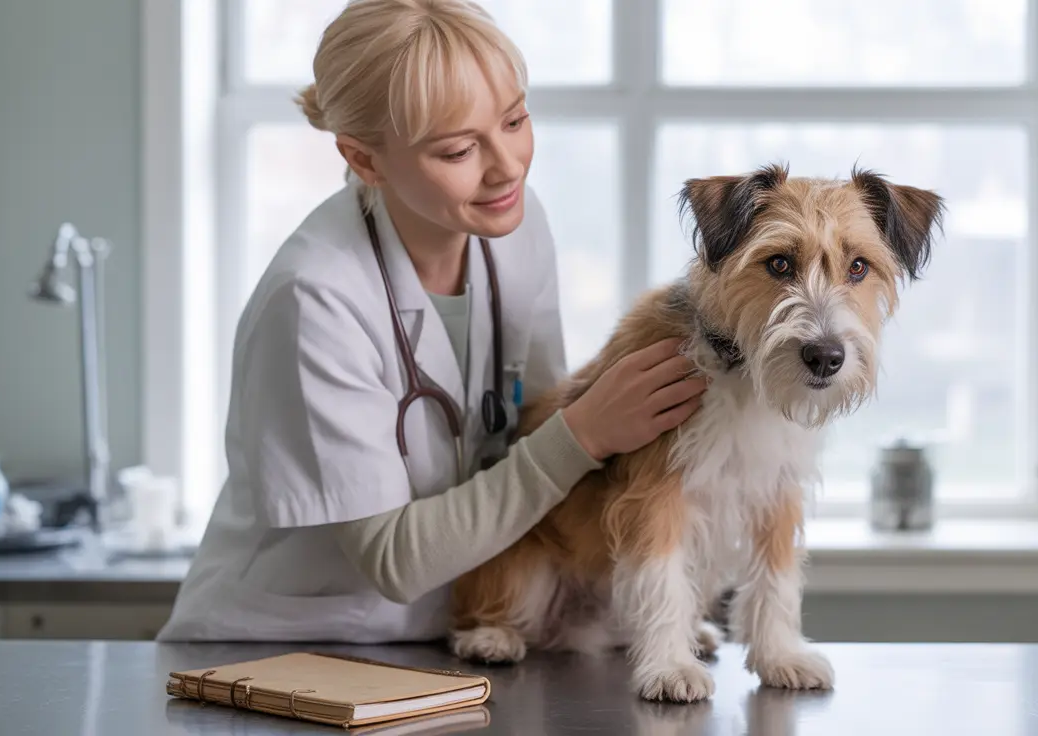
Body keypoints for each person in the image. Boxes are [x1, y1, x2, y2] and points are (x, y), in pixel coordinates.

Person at [156, 0, 707, 642]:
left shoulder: (516, 230)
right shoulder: (315, 298)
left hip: (451, 635)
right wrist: (585, 431)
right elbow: (396, 556)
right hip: (282, 648)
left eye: (516, 119)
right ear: (365, 161)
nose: (507, 166)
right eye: (458, 150)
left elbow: (538, 436)